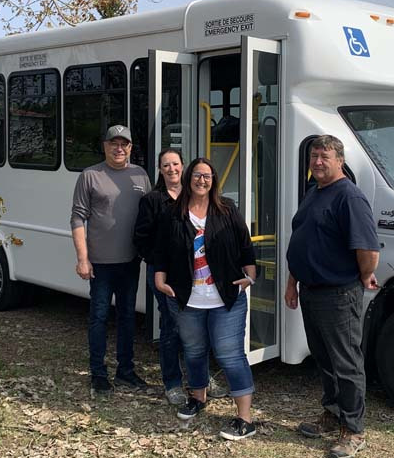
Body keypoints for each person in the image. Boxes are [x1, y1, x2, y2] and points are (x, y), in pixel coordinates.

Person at [285, 135, 380, 458]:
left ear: (340, 160)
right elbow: (302, 240)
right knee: (324, 359)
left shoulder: (349, 197)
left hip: (339, 294)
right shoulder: (315, 192)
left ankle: (353, 430)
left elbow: (368, 250)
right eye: (313, 156)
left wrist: (363, 275)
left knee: (346, 363)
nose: (317, 162)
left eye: (324, 156)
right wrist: (291, 282)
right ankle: (332, 414)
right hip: (310, 291)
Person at [154, 157, 259, 441]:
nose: (202, 180)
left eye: (208, 176)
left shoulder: (227, 209)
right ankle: (198, 398)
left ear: (214, 180)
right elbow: (162, 251)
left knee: (230, 355)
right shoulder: (173, 213)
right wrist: (159, 278)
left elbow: (246, 248)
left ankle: (245, 419)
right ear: (189, 178)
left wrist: (250, 277)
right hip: (188, 299)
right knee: (193, 351)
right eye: (197, 175)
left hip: (226, 299)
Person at [71, 125, 152, 394]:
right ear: (104, 146)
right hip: (101, 264)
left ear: (130, 147)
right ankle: (98, 374)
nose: (119, 148)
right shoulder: (90, 176)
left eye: (124, 144)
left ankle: (126, 371)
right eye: (113, 143)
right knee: (99, 317)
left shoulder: (140, 175)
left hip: (130, 261)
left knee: (128, 317)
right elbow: (77, 218)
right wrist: (83, 258)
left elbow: (151, 214)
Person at [133, 148, 188, 405]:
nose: (171, 169)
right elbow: (140, 238)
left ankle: (201, 376)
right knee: (172, 326)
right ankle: (173, 383)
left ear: (183, 166)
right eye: (166, 165)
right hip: (162, 275)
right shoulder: (152, 200)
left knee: (197, 326)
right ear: (160, 169)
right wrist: (157, 265)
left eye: (175, 164)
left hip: (192, 273)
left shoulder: (194, 195)